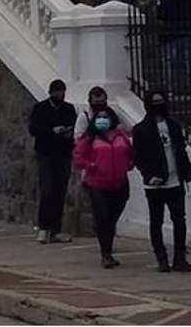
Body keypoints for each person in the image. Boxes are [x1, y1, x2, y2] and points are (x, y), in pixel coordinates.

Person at [132, 90, 191, 272]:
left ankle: (179, 257)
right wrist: (149, 176)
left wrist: (189, 171)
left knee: (179, 219)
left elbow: (181, 151)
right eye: (155, 102)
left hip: (175, 181)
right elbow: (139, 157)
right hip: (155, 183)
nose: (159, 105)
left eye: (161, 101)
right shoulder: (141, 129)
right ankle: (161, 257)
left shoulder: (173, 126)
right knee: (156, 220)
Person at [74, 106, 134, 268]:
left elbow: (130, 153)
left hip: (119, 183)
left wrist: (129, 163)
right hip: (98, 184)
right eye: (99, 117)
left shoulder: (121, 136)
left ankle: (108, 243)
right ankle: (106, 253)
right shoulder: (90, 138)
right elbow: (79, 157)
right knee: (102, 217)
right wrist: (91, 165)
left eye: (106, 117)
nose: (103, 120)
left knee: (112, 217)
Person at [28, 79, 77, 244]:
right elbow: (33, 129)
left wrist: (67, 133)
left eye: (62, 91)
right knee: (47, 190)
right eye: (57, 92)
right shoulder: (40, 108)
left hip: (63, 154)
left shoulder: (68, 109)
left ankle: (56, 229)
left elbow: (74, 127)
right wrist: (51, 131)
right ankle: (43, 227)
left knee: (60, 191)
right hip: (46, 153)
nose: (60, 95)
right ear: (50, 92)